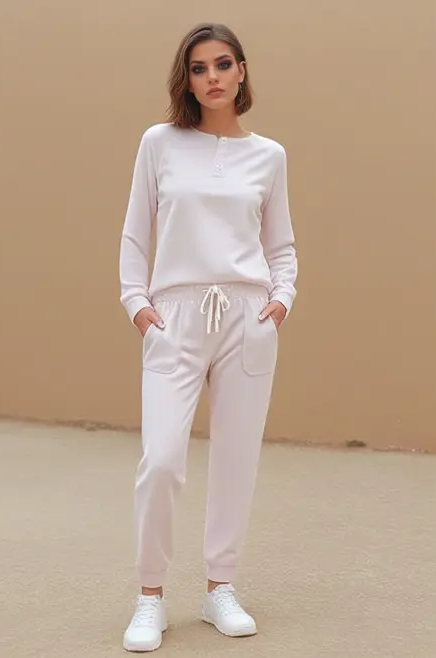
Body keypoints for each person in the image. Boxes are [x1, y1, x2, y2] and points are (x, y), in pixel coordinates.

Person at [119, 21, 298, 653]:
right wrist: (138, 304)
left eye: (223, 64)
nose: (212, 77)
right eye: (199, 68)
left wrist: (279, 302)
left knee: (236, 459)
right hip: (176, 315)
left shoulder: (269, 156)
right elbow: (136, 231)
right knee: (162, 459)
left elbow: (281, 246)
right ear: (187, 79)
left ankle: (220, 587)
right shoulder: (160, 143)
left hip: (247, 317)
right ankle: (150, 596)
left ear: (241, 71)